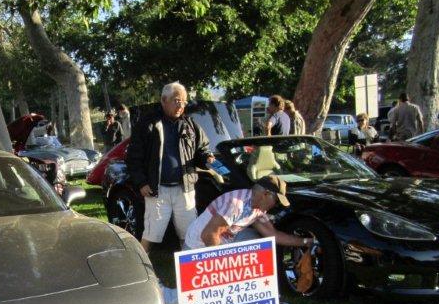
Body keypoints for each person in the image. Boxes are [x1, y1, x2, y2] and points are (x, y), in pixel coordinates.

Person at [125, 81, 215, 253]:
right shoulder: (148, 124)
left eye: (184, 101)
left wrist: (207, 158)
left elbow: (202, 149)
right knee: (151, 235)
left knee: (188, 234)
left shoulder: (191, 124)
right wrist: (141, 182)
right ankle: (142, 271)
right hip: (157, 190)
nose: (181, 105)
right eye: (176, 100)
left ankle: (189, 272)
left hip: (185, 190)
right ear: (163, 100)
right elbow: (133, 158)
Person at [184, 175, 314, 250]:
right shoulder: (236, 204)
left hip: (220, 241)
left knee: (256, 239)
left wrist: (305, 242)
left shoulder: (257, 208)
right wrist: (224, 263)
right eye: (276, 201)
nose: (276, 205)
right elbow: (209, 235)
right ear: (265, 194)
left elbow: (272, 234)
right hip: (197, 246)